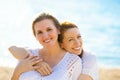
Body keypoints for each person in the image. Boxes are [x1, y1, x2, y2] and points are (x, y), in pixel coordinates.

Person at [9, 21, 98, 80]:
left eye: (79, 37)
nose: (77, 43)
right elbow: (13, 48)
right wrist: (36, 62)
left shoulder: (88, 58)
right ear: (61, 44)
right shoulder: (51, 56)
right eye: (70, 39)